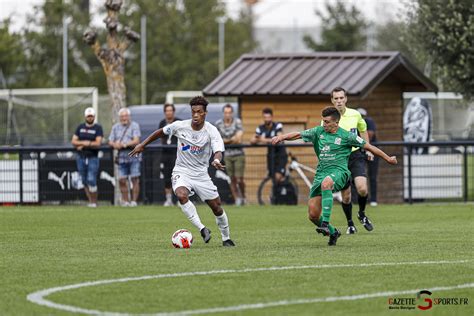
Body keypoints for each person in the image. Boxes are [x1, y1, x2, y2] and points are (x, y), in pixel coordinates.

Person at [272, 106, 397, 246]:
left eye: (326, 122)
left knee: (327, 183)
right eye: (323, 121)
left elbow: (369, 146)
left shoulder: (347, 136)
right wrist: (281, 137)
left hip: (340, 172)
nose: (323, 124)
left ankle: (325, 223)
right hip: (321, 173)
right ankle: (333, 232)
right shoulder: (318, 132)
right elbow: (298, 134)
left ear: (335, 123)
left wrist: (388, 159)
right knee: (313, 215)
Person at [129, 96, 235, 247]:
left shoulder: (211, 130)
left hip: (201, 174)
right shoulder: (180, 126)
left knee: (216, 207)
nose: (196, 115)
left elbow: (218, 150)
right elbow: (160, 132)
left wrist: (217, 160)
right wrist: (142, 145)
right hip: (182, 171)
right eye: (193, 112)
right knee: (181, 195)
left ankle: (226, 238)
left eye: (199, 112)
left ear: (205, 113)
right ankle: (202, 228)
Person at [331, 87, 374, 235]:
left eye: (341, 98)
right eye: (336, 98)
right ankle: (350, 223)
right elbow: (323, 137)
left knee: (362, 188)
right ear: (332, 101)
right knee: (346, 195)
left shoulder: (355, 114)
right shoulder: (328, 117)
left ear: (346, 99)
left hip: (356, 156)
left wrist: (368, 148)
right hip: (340, 159)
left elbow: (363, 129)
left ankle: (361, 214)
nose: (339, 101)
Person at [108, 108, 141, 207]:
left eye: (125, 116)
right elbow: (110, 141)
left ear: (129, 116)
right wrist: (115, 145)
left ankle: (134, 201)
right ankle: (125, 201)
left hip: (134, 155)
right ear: (119, 117)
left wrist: (124, 145)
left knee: (134, 178)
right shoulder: (115, 127)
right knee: (122, 179)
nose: (124, 118)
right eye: (122, 116)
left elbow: (136, 140)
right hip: (121, 156)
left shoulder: (135, 126)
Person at [71, 107, 103, 208]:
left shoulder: (98, 128)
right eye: (88, 116)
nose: (90, 118)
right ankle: (90, 201)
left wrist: (85, 144)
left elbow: (98, 143)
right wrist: (88, 143)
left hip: (92, 156)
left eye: (91, 116)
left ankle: (94, 202)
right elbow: (73, 141)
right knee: (84, 180)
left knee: (91, 179)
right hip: (81, 157)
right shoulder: (80, 127)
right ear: (85, 117)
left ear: (94, 117)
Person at [215, 104, 246, 206]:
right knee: (232, 178)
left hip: (239, 154)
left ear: (232, 113)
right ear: (223, 113)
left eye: (229, 112)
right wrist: (231, 140)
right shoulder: (218, 123)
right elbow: (218, 140)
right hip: (227, 155)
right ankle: (237, 199)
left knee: (239, 178)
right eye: (225, 112)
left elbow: (239, 139)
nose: (227, 114)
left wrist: (226, 141)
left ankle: (243, 196)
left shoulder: (237, 122)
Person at [250, 108, 288, 184]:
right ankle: (276, 195)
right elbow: (252, 140)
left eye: (268, 117)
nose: (267, 119)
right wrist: (267, 140)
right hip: (270, 155)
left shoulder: (277, 125)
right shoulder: (260, 128)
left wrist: (262, 139)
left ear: (272, 117)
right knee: (273, 178)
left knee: (278, 177)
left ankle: (284, 191)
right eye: (265, 117)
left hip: (281, 154)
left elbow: (279, 138)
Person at [158, 103, 182, 206]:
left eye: (170, 110)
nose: (169, 112)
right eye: (167, 111)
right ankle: (168, 199)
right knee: (167, 176)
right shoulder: (162, 123)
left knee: (179, 176)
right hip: (165, 154)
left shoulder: (179, 122)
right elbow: (160, 136)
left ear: (173, 111)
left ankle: (181, 198)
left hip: (177, 154)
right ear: (164, 112)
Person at [357, 107, 379, 207]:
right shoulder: (354, 123)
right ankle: (357, 199)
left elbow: (369, 134)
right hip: (359, 151)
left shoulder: (368, 121)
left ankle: (373, 199)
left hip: (371, 150)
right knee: (357, 174)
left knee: (372, 175)